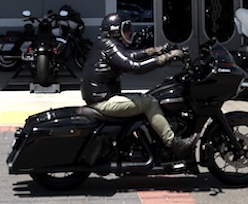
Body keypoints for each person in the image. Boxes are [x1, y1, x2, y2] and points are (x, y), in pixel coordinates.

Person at [80, 13, 194, 156]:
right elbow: (135, 66)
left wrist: (153, 51)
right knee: (149, 102)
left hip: (101, 98)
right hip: (103, 102)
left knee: (147, 97)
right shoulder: (109, 45)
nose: (130, 32)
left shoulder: (106, 44)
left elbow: (129, 56)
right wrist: (166, 57)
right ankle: (174, 143)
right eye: (126, 29)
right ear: (116, 31)